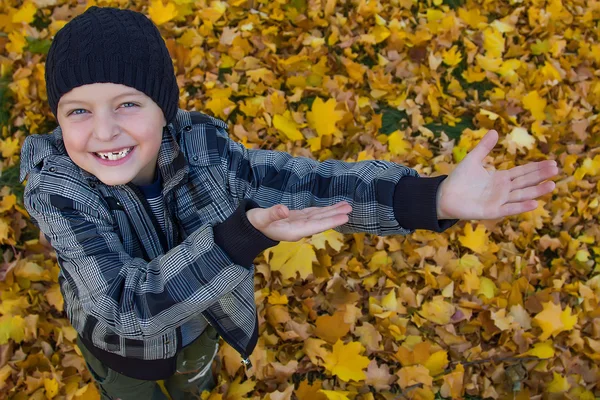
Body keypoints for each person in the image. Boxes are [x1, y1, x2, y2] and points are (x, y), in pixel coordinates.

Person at [18, 6, 559, 400]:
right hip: (122, 352)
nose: (105, 131)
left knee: (192, 380)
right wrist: (236, 239)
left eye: (128, 103)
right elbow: (123, 307)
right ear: (58, 119)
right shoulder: (59, 190)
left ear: (166, 111)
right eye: (78, 111)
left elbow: (307, 183)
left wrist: (428, 196)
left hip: (205, 323)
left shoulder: (203, 150)